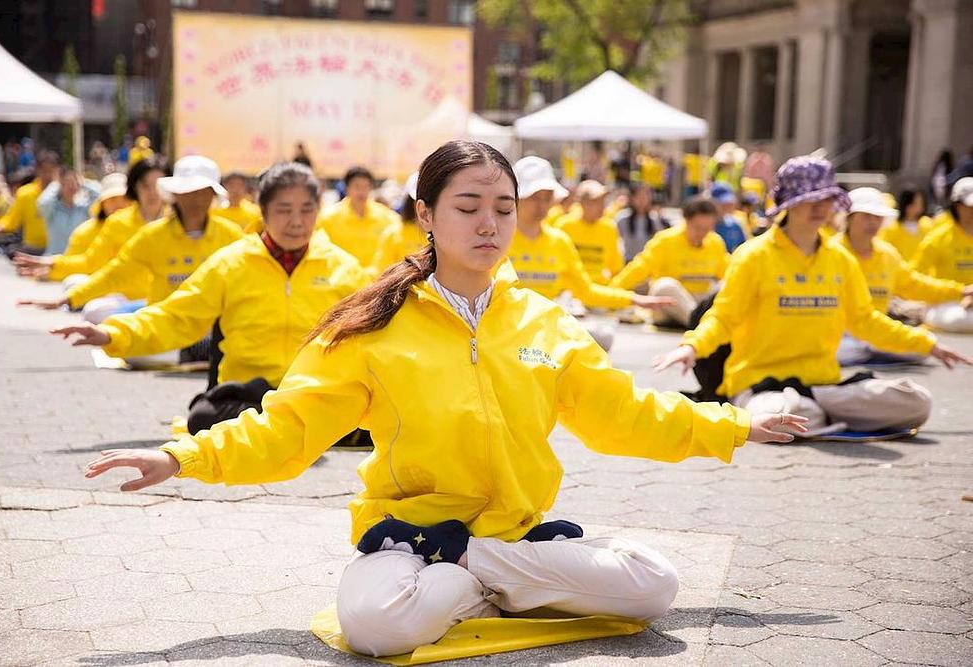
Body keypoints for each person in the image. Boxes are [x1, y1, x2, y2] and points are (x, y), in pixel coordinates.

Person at [82, 140, 806, 659]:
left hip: (511, 536)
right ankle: (486, 576)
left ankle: (481, 568)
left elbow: (625, 411)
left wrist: (735, 422)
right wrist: (183, 456)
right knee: (373, 626)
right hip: (407, 536)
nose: (489, 223)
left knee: (656, 583)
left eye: (503, 207)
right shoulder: (374, 325)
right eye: (468, 206)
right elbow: (290, 425)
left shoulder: (543, 321)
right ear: (427, 214)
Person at [655, 155, 971, 434]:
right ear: (789, 204)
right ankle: (818, 414)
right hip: (764, 385)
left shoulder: (839, 259)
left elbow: (865, 321)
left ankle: (823, 412)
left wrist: (928, 345)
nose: (821, 208)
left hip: (825, 384)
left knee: (917, 403)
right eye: (811, 199)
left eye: (826, 199)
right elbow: (723, 318)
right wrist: (692, 347)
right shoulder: (753, 256)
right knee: (789, 414)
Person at [51, 162, 368, 432]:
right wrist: (112, 332)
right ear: (263, 211)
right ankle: (290, 428)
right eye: (284, 210)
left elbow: (377, 326)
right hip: (250, 392)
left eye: (306, 210)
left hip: (312, 390)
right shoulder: (232, 261)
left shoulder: (343, 267)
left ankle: (298, 427)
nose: (296, 221)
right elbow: (178, 314)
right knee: (204, 417)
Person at [19, 155, 244, 334]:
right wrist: (67, 299)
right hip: (163, 318)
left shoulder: (230, 236)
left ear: (213, 195)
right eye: (188, 192)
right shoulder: (151, 235)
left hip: (211, 323)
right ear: (174, 194)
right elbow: (113, 271)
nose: (195, 200)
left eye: (203, 193)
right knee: (99, 314)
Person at [506, 157, 672, 325]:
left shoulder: (559, 241)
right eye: (534, 197)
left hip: (544, 325)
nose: (541, 205)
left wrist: (633, 299)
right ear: (516, 198)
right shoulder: (500, 238)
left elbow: (586, 291)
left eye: (547, 197)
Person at [836, 187, 971, 364]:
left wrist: (961, 291)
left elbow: (915, 284)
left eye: (877, 217)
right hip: (841, 333)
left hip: (878, 329)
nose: (873, 223)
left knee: (922, 348)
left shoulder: (887, 255)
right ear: (849, 218)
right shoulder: (832, 252)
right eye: (866, 216)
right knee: (838, 349)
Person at [12, 158, 167, 291]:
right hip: (118, 295)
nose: (118, 204)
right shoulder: (105, 226)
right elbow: (88, 264)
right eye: (112, 199)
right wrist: (51, 265)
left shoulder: (176, 223)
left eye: (122, 199)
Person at [612, 196, 729, 327]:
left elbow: (728, 274)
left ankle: (701, 323)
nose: (701, 233)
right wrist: (612, 293)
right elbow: (639, 267)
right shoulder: (666, 240)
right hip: (669, 303)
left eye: (706, 229)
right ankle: (702, 326)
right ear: (686, 221)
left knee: (725, 286)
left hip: (701, 302)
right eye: (697, 228)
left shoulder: (716, 242)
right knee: (664, 286)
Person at [911, 177, 973, 333]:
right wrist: (955, 291)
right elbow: (914, 276)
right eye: (969, 206)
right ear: (956, 205)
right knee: (958, 319)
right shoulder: (939, 237)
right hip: (947, 304)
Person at [0, 150, 58, 253]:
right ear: (37, 170)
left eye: (51, 171)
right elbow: (10, 222)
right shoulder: (25, 193)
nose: (48, 175)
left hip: (59, 250)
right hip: (33, 249)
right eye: (44, 170)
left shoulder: (62, 192)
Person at [317, 166, 400, 267]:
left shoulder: (387, 217)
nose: (362, 192)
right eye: (357, 186)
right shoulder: (328, 217)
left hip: (378, 279)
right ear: (347, 188)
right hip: (342, 278)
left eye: (366, 187)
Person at [554, 180, 623, 284]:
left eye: (603, 201)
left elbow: (616, 269)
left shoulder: (609, 228)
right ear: (582, 203)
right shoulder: (565, 226)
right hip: (571, 290)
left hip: (600, 289)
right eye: (595, 202)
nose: (602, 206)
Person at [371, 172, 429, 273]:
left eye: (429, 201)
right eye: (417, 201)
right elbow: (381, 272)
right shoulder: (393, 234)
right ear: (409, 202)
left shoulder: (445, 233)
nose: (424, 207)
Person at [35, 166, 101, 255]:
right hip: (54, 261)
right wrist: (55, 184)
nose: (71, 185)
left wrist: (83, 182)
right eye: (67, 182)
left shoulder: (84, 208)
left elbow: (101, 195)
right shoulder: (52, 209)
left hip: (78, 262)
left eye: (74, 182)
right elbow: (42, 203)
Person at [614, 183, 667, 262]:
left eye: (646, 196)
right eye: (639, 196)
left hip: (647, 263)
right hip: (628, 262)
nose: (642, 200)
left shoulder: (654, 218)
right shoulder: (622, 218)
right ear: (632, 198)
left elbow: (660, 242)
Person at [877, 189, 934, 261]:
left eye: (920, 203)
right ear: (906, 205)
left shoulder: (927, 224)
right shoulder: (892, 228)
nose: (919, 207)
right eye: (915, 204)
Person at [709, 182, 748, 252]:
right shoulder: (703, 226)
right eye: (722, 203)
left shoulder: (735, 225)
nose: (726, 205)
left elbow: (742, 249)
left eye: (728, 202)